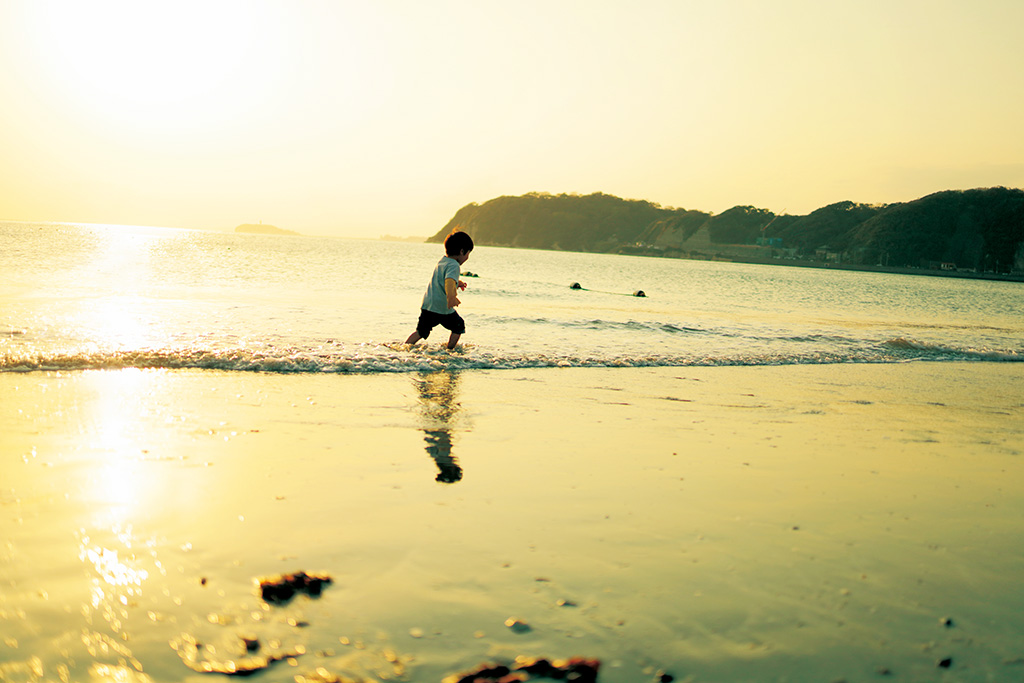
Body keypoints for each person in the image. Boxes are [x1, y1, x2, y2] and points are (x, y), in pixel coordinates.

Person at [405, 230, 474, 350]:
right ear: (462, 251)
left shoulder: (442, 261)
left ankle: (404, 347)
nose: (467, 257)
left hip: (428, 305)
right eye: (468, 254)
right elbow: (449, 282)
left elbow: (444, 280)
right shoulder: (454, 265)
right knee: (458, 326)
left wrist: (459, 283)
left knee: (420, 332)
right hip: (442, 308)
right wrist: (451, 298)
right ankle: (449, 350)